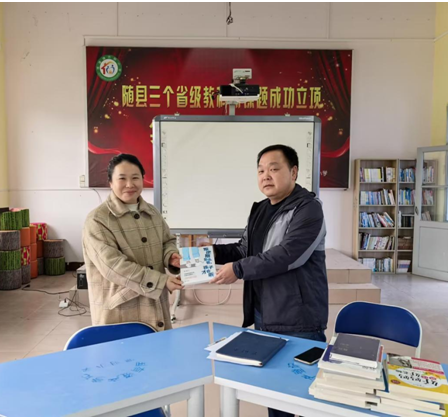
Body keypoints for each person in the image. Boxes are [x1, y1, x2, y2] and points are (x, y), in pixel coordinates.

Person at [211, 144, 328, 417]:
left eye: (274, 169)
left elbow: (287, 255)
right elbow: (244, 249)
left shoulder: (308, 209)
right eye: (261, 170)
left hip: (299, 318)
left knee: (302, 394)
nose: (266, 175)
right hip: (265, 313)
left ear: (293, 172)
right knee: (275, 392)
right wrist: (205, 253)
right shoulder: (261, 209)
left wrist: (237, 269)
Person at [82, 154, 183, 330]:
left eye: (135, 177)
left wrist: (170, 256)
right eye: (122, 178)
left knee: (157, 345)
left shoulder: (152, 212)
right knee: (124, 347)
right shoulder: (97, 220)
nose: (130, 184)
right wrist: (160, 281)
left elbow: (167, 240)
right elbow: (113, 266)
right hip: (119, 309)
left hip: (156, 305)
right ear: (110, 182)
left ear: (143, 179)